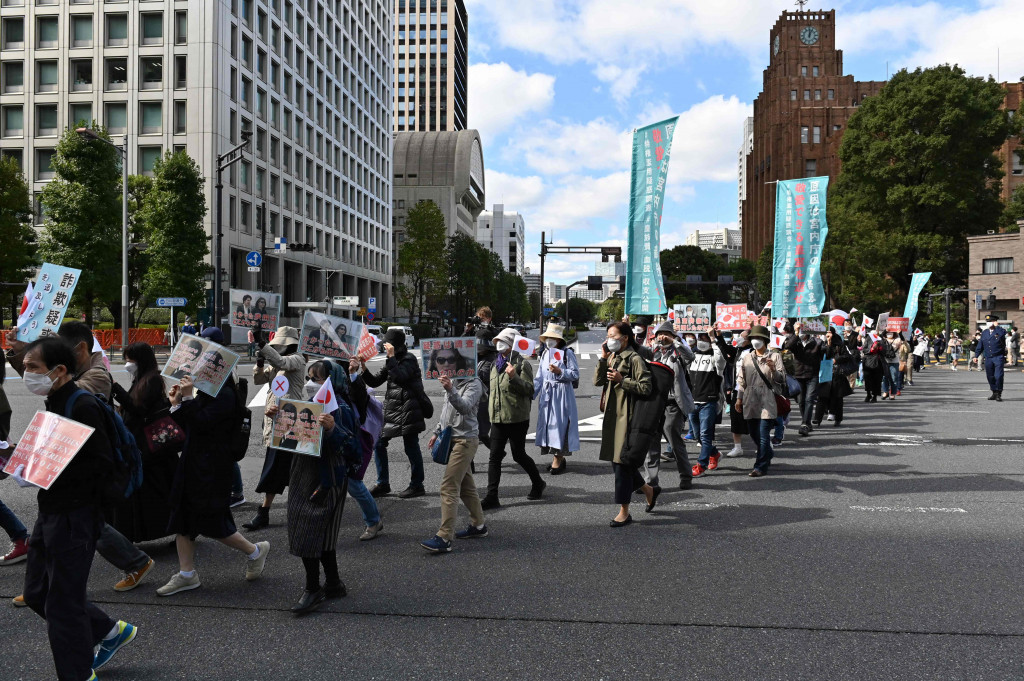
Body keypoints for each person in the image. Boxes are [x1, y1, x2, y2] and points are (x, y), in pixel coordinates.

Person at [17, 337, 139, 680]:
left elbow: (101, 467)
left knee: (62, 604)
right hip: (51, 511)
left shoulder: (81, 405)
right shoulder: (55, 399)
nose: (26, 374)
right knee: (37, 593)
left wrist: (49, 467)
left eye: (32, 368)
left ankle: (77, 673)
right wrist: (28, 459)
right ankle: (108, 631)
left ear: (58, 371)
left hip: (75, 516)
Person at [7, 322, 156, 593]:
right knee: (53, 532)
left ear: (77, 351)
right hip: (61, 479)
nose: (29, 374)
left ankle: (127, 573)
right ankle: (38, 588)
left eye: (34, 367)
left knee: (83, 533)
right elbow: (50, 381)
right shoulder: (60, 383)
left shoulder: (93, 379)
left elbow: (68, 392)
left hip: (78, 483)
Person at [158, 329, 270, 597]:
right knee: (183, 519)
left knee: (211, 522)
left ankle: (255, 551)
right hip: (193, 463)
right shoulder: (207, 394)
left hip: (211, 467)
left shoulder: (226, 395)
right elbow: (190, 424)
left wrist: (186, 400)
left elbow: (202, 423)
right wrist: (176, 404)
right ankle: (187, 574)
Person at [268, 359, 356, 613]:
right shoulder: (305, 405)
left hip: (327, 475)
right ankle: (334, 582)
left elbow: (352, 449)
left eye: (317, 379)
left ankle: (312, 588)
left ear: (332, 381)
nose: (310, 384)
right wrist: (278, 419)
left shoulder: (340, 408)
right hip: (303, 471)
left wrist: (332, 430)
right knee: (320, 531)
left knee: (309, 528)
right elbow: (290, 439)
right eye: (309, 378)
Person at [109, 343, 178, 551]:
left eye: (131, 360)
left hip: (152, 448)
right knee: (147, 493)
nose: (127, 364)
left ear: (141, 360)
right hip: (142, 445)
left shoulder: (153, 380)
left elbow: (138, 409)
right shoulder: (142, 379)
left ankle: (178, 530)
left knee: (156, 491)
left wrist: (116, 389)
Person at [595, 322, 657, 526]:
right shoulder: (612, 356)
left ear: (625, 338)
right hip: (613, 416)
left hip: (628, 417)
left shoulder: (635, 359)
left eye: (613, 336)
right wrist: (603, 359)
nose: (609, 340)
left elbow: (646, 388)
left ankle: (624, 511)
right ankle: (648, 489)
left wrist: (623, 380)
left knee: (621, 463)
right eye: (608, 336)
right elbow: (598, 381)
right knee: (618, 461)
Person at [246, 325, 307, 531]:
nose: (279, 347)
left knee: (287, 468)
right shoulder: (275, 364)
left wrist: (263, 345)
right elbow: (258, 379)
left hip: (291, 421)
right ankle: (268, 512)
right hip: (275, 420)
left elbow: (282, 361)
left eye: (282, 344)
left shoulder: (298, 359)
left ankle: (271, 512)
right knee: (279, 467)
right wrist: (260, 362)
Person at [421, 371, 488, 553]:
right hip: (452, 438)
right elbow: (446, 411)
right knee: (466, 486)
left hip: (465, 441)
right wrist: (437, 432)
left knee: (449, 486)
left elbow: (465, 407)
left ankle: (444, 537)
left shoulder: (474, 383)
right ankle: (479, 525)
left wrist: (451, 389)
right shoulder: (455, 380)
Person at [481, 327, 546, 509]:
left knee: (519, 455)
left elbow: (530, 390)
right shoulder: (496, 364)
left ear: (513, 344)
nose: (499, 344)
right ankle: (491, 496)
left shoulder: (522, 364)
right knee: (494, 457)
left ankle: (538, 482)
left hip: (517, 418)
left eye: (503, 341)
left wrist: (513, 377)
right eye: (497, 341)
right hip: (497, 418)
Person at [360, 327, 427, 498]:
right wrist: (363, 368)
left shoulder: (409, 359)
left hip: (409, 408)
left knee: (411, 446)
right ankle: (383, 483)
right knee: (379, 443)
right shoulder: (392, 360)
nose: (384, 346)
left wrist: (390, 358)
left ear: (395, 345)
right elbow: (375, 382)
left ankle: (417, 485)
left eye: (387, 344)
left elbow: (400, 377)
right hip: (393, 408)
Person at [646, 322, 696, 488]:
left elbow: (691, 357)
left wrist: (674, 342)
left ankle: (686, 476)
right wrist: (653, 346)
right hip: (654, 402)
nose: (662, 337)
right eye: (660, 333)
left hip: (673, 402)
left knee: (674, 440)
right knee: (652, 441)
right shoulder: (652, 352)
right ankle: (651, 481)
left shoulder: (678, 352)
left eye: (666, 333)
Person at [735, 325, 787, 477]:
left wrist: (773, 369)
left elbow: (781, 379)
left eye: (758, 338)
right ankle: (768, 454)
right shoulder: (747, 357)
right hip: (750, 398)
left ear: (765, 340)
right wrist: (739, 399)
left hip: (767, 398)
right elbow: (741, 380)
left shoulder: (775, 356)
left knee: (763, 434)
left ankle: (760, 466)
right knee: (753, 433)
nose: (755, 341)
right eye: (753, 338)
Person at [533, 323, 579, 475]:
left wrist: (560, 371)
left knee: (561, 424)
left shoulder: (567, 353)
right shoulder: (545, 354)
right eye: (547, 338)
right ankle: (556, 456)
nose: (549, 341)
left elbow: (575, 374)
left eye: (552, 338)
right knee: (548, 425)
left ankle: (558, 458)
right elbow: (540, 376)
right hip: (547, 393)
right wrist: (532, 393)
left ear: (559, 340)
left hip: (562, 393)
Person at [689, 328, 727, 478]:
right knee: (698, 435)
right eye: (701, 339)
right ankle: (715, 454)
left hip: (708, 402)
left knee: (705, 435)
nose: (702, 342)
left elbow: (721, 359)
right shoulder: (693, 355)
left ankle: (701, 465)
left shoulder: (715, 357)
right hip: (693, 401)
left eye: (705, 339)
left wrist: (713, 339)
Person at [783, 322, 824, 436]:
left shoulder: (817, 342)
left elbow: (827, 353)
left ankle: (805, 423)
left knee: (809, 399)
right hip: (799, 375)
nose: (801, 332)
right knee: (801, 401)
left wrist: (829, 342)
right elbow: (788, 346)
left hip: (813, 374)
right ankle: (806, 422)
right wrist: (796, 334)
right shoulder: (796, 341)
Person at [813, 329, 854, 427]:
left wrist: (837, 359)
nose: (828, 335)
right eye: (827, 333)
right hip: (825, 372)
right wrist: (828, 343)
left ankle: (838, 418)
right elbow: (824, 354)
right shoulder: (822, 343)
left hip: (837, 373)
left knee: (838, 398)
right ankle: (817, 419)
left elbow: (847, 356)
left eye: (830, 333)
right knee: (822, 397)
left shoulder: (840, 344)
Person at [980, 314, 1007, 401]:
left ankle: (999, 393)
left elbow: (1003, 334)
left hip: (998, 357)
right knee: (990, 376)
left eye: (990, 321)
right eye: (987, 321)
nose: (988, 323)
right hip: (988, 358)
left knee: (998, 376)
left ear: (994, 322)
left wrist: (997, 327)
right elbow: (981, 344)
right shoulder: (984, 332)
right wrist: (976, 355)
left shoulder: (1000, 331)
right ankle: (994, 392)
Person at [861, 336, 885, 402]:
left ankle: (875, 396)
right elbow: (864, 349)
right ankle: (868, 394)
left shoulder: (881, 339)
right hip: (867, 361)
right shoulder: (868, 338)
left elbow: (884, 351)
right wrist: (872, 349)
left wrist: (879, 347)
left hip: (878, 362)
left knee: (877, 380)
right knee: (867, 379)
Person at [881, 332, 901, 398]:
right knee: (884, 377)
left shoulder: (897, 339)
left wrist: (899, 333)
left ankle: (893, 393)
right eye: (888, 332)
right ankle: (885, 391)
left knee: (894, 377)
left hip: (894, 361)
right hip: (885, 361)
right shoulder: (883, 340)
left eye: (891, 332)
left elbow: (902, 341)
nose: (889, 334)